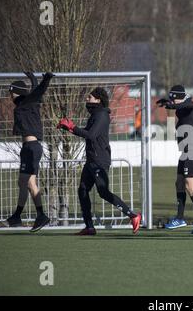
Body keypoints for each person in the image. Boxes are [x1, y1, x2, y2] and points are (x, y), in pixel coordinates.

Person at [58, 87, 141, 235]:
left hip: (99, 160)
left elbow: (90, 135)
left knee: (103, 192)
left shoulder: (102, 115)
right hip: (91, 160)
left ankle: (133, 215)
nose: (87, 99)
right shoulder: (96, 114)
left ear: (98, 99)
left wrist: (72, 127)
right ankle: (89, 227)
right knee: (83, 190)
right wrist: (70, 128)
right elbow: (87, 132)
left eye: (89, 97)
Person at [156, 85, 193, 234]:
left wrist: (170, 104)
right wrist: (167, 102)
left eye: (174, 98)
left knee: (189, 185)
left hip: (192, 152)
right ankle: (179, 218)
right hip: (185, 152)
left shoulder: (190, 104)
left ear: (179, 97)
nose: (172, 101)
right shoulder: (181, 105)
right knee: (179, 182)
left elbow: (184, 103)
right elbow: (178, 104)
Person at [5, 72, 54, 232]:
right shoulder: (23, 104)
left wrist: (45, 79)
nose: (10, 96)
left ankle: (40, 215)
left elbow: (38, 91)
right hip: (27, 148)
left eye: (11, 92)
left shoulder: (29, 102)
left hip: (32, 148)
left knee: (29, 183)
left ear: (17, 92)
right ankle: (17, 216)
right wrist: (32, 78)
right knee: (22, 183)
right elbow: (34, 90)